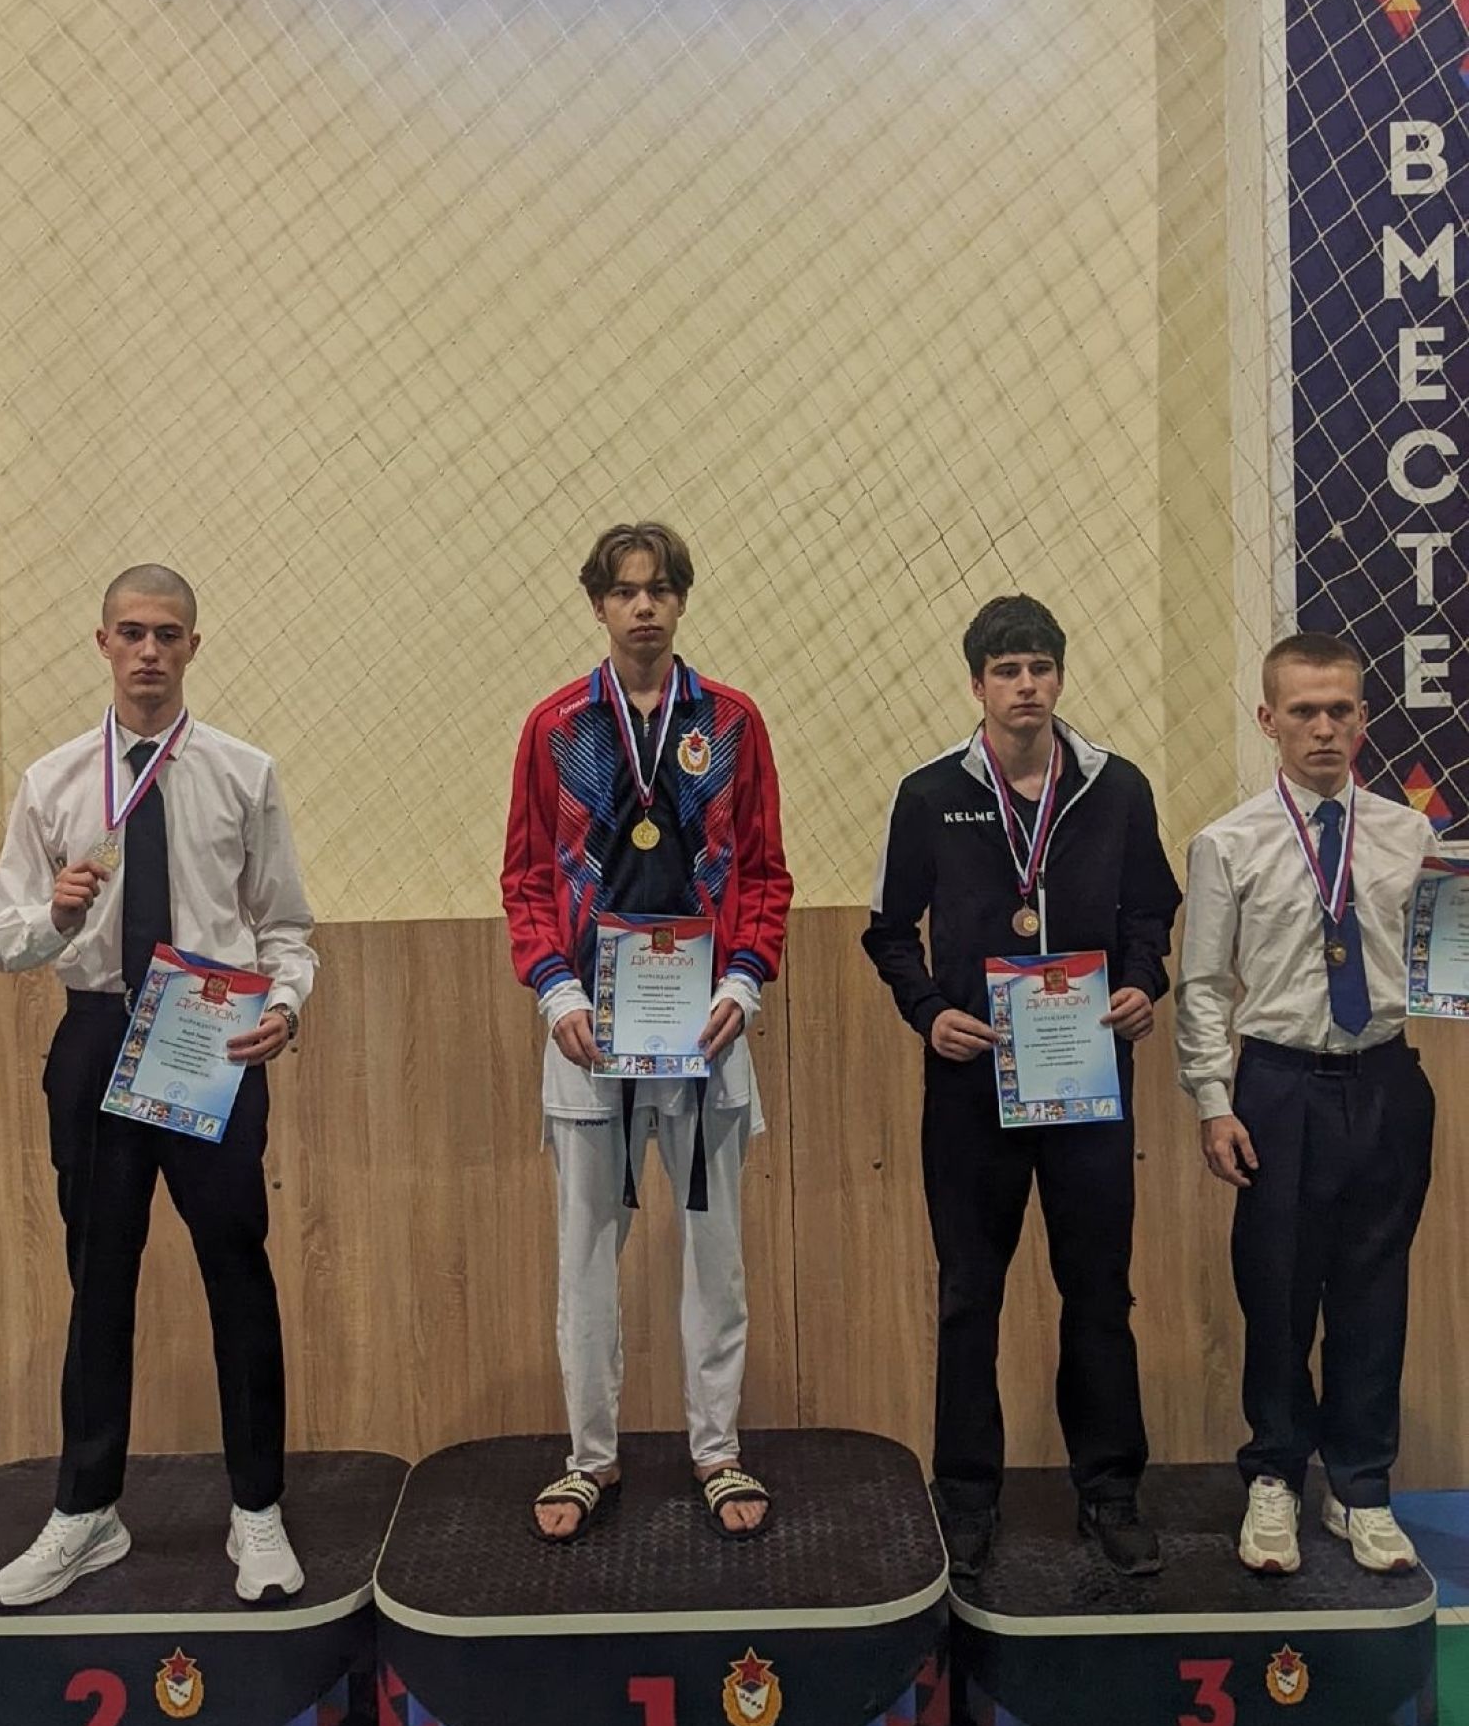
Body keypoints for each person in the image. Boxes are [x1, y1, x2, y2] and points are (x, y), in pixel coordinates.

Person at [0, 566, 316, 1606]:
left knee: (236, 1270)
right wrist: (56, 914)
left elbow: (286, 926)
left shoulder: (242, 773)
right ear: (102, 643)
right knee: (99, 1278)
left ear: (193, 647)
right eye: (131, 632)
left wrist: (286, 1007)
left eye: (168, 633)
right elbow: (1, 939)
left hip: (212, 1038)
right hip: (96, 1034)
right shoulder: (52, 781)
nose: (149, 651)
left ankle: (257, 1508)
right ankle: (86, 1511)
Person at [863, 595, 1181, 1579]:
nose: (1026, 685)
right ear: (977, 685)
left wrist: (1143, 983)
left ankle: (1111, 1490)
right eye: (1006, 670)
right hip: (972, 1082)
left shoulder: (1116, 787)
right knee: (969, 1293)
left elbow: (1151, 911)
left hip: (1088, 1079)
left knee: (1099, 1291)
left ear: (1060, 676)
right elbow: (888, 931)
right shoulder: (928, 795)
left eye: (1040, 666)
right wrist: (928, 1011)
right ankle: (965, 1496)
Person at [502, 522, 793, 1542]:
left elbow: (764, 871)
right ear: (598, 604)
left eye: (660, 589)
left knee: (716, 1256)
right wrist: (555, 991)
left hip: (705, 1028)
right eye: (625, 591)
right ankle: (589, 1456)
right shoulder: (554, 727)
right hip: (590, 1030)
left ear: (680, 601)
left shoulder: (733, 722)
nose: (643, 607)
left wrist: (746, 979)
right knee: (586, 1258)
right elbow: (526, 878)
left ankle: (717, 1448)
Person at [1175, 632, 1434, 1575]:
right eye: (1303, 711)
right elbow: (1204, 985)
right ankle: (1277, 1476)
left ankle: (1361, 1487)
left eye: (1339, 711)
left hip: (1386, 1081)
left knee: (1374, 1291)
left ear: (1364, 718)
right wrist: (1214, 1100)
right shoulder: (1229, 843)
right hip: (1278, 1087)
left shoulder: (1411, 839)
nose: (1323, 728)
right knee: (1278, 1291)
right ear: (1268, 720)